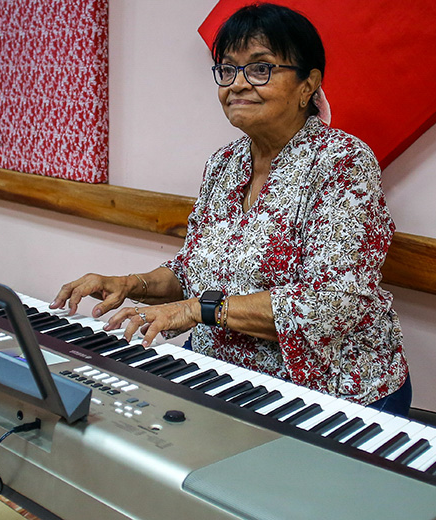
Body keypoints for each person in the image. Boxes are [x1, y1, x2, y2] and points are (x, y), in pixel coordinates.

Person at [51, 3, 410, 416]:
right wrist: (130, 284)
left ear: (308, 85)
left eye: (260, 69)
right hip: (224, 377)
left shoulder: (342, 161)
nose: (237, 84)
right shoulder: (224, 163)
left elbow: (329, 304)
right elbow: (192, 271)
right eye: (227, 69)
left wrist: (198, 309)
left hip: (327, 392)